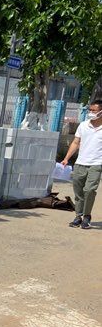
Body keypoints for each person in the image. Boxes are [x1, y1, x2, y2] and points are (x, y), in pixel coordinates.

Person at [61, 98, 102, 229]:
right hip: (80, 163)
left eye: (94, 111)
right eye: (90, 110)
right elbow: (75, 143)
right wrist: (66, 158)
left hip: (96, 164)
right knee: (78, 191)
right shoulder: (83, 125)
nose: (91, 112)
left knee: (89, 190)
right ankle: (78, 216)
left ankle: (87, 216)